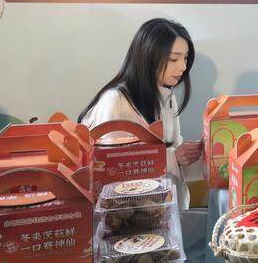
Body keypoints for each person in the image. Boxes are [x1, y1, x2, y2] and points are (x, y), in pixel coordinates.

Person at [79, 18, 203, 207]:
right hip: (129, 214)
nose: (183, 67)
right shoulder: (116, 101)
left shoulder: (166, 94)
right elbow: (110, 168)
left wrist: (203, 156)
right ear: (148, 57)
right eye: (173, 59)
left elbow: (175, 156)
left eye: (185, 58)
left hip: (166, 209)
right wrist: (173, 158)